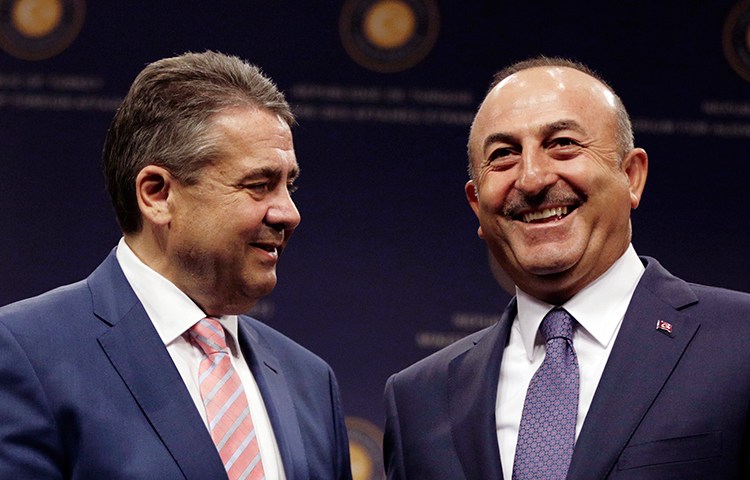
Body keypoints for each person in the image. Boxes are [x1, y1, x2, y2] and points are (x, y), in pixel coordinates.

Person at [383, 56, 750, 479]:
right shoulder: (418, 399)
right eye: (504, 155)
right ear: (476, 204)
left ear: (631, 176)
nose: (533, 179)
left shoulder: (739, 344)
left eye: (563, 144)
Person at [0, 51, 352, 479]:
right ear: (157, 194)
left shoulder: (310, 382)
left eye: (288, 185)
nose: (288, 213)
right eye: (259, 185)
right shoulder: (25, 354)